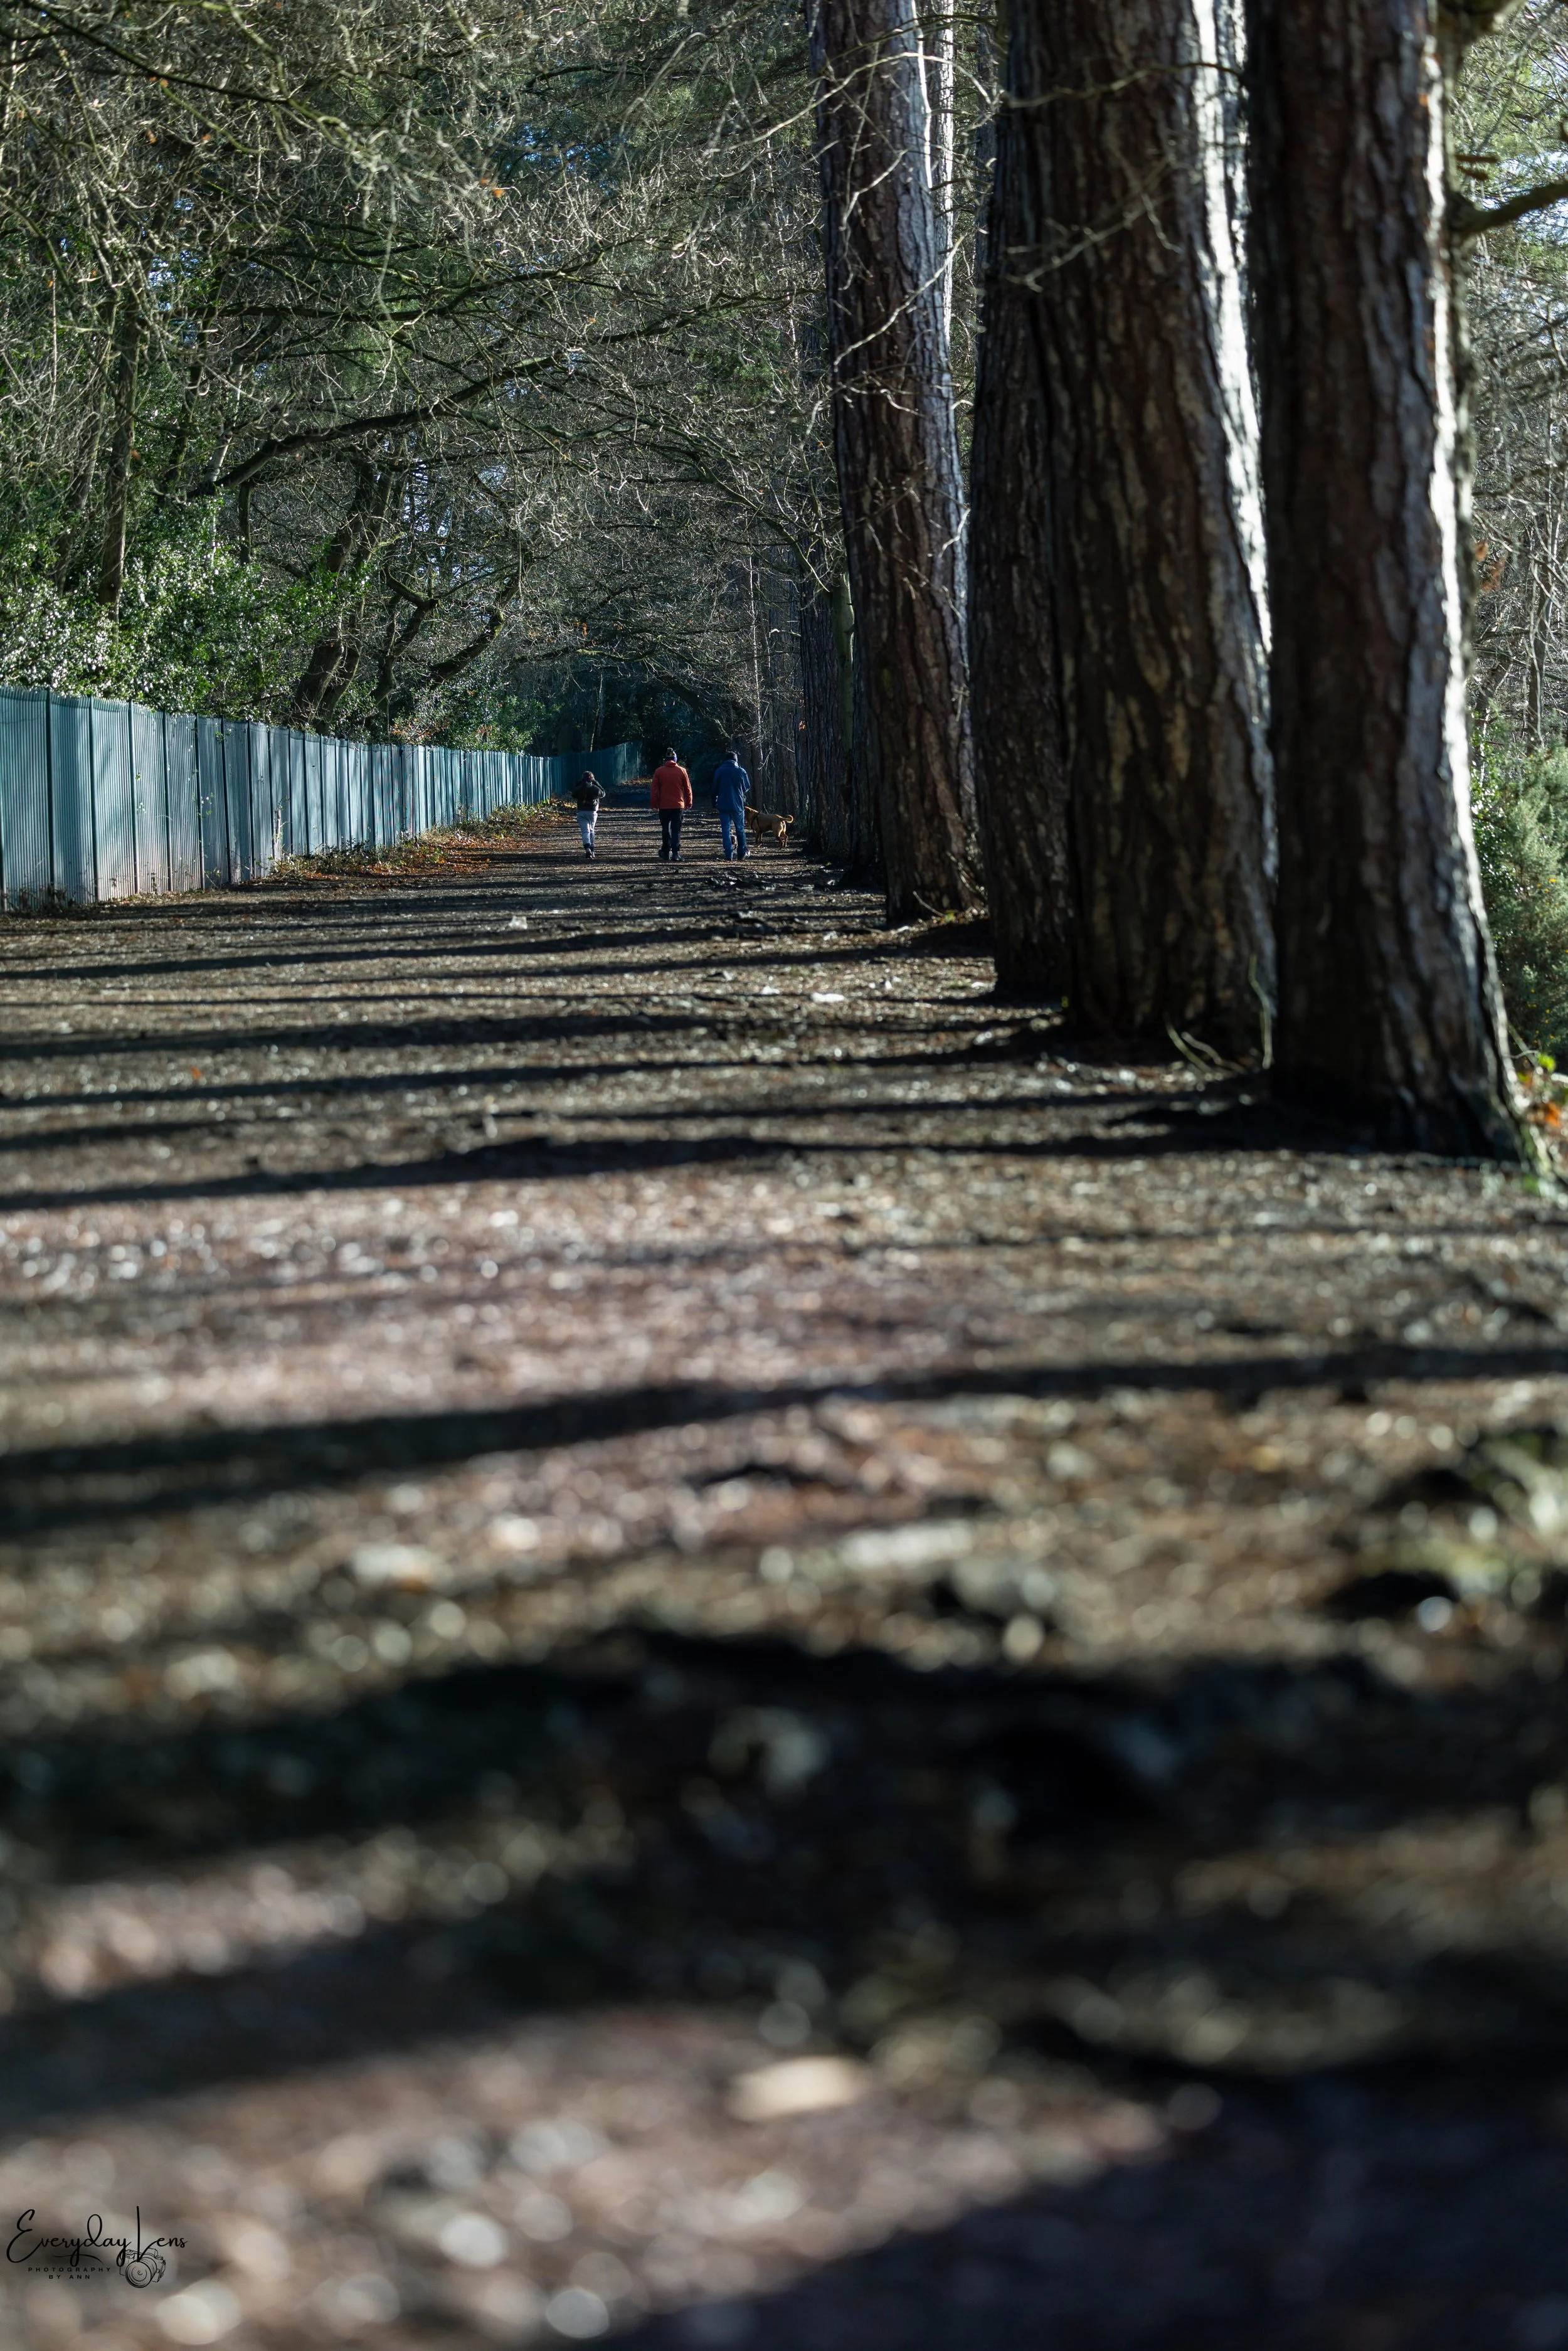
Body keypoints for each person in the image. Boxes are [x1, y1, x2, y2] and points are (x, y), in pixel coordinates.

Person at [649, 746, 692, 861]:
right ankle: (676, 853)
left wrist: (654, 805)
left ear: (666, 759)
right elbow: (688, 788)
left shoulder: (659, 772)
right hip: (678, 805)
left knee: (665, 829)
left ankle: (666, 851)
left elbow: (654, 790)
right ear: (676, 759)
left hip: (664, 805)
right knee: (676, 829)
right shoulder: (682, 771)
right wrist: (689, 802)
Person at [712, 744, 750, 861]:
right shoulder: (741, 771)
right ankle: (742, 853)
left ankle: (728, 854)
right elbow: (746, 787)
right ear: (736, 761)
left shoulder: (720, 771)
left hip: (723, 804)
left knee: (725, 829)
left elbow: (714, 789)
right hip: (738, 805)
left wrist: (714, 803)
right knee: (740, 829)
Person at [575, 770, 605, 859]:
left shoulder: (580, 788)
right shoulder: (595, 789)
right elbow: (603, 793)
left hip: (582, 812)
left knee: (585, 831)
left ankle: (587, 848)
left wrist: (580, 784)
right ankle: (592, 849)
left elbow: (574, 793)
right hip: (592, 812)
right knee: (591, 830)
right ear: (592, 779)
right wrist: (596, 783)